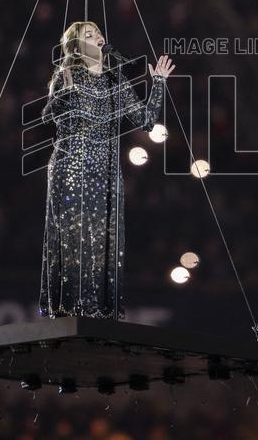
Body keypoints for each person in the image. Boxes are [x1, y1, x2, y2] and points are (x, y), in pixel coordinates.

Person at [38, 21, 175, 319]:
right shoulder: (68, 74)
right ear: (76, 48)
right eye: (89, 35)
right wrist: (67, 91)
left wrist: (159, 83)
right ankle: (66, 307)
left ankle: (99, 309)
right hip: (70, 167)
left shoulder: (116, 81)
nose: (98, 37)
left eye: (99, 33)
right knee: (73, 237)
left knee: (103, 237)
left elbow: (147, 120)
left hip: (105, 171)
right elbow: (49, 115)